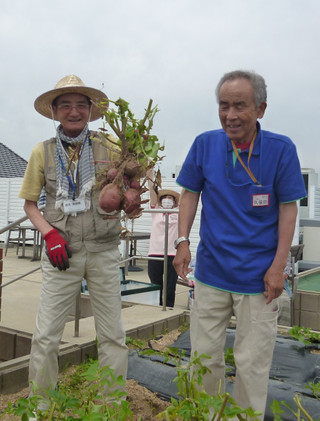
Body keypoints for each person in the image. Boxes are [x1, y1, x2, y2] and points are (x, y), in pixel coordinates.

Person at [173, 70, 306, 419]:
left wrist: (279, 267)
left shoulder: (281, 149)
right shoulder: (205, 144)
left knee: (252, 365)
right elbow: (189, 193)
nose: (230, 115)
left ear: (260, 109)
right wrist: (183, 241)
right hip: (211, 274)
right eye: (224, 105)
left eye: (240, 106)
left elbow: (288, 210)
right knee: (203, 359)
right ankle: (206, 416)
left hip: (260, 280)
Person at [19, 75, 128, 409]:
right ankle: (40, 408)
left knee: (112, 336)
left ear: (91, 109)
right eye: (65, 104)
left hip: (103, 251)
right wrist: (49, 234)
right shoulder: (42, 152)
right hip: (60, 254)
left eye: (81, 104)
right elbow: (30, 204)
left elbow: (126, 191)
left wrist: (130, 199)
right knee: (46, 337)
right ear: (54, 111)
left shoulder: (109, 148)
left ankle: (112, 406)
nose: (74, 111)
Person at [147, 175, 180, 307]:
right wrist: (150, 174)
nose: (167, 200)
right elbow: (152, 193)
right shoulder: (156, 212)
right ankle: (156, 308)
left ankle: (169, 307)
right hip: (155, 253)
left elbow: (185, 197)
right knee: (155, 284)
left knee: (170, 285)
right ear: (160, 201)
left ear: (174, 201)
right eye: (165, 198)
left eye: (170, 198)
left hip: (172, 254)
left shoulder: (178, 213)